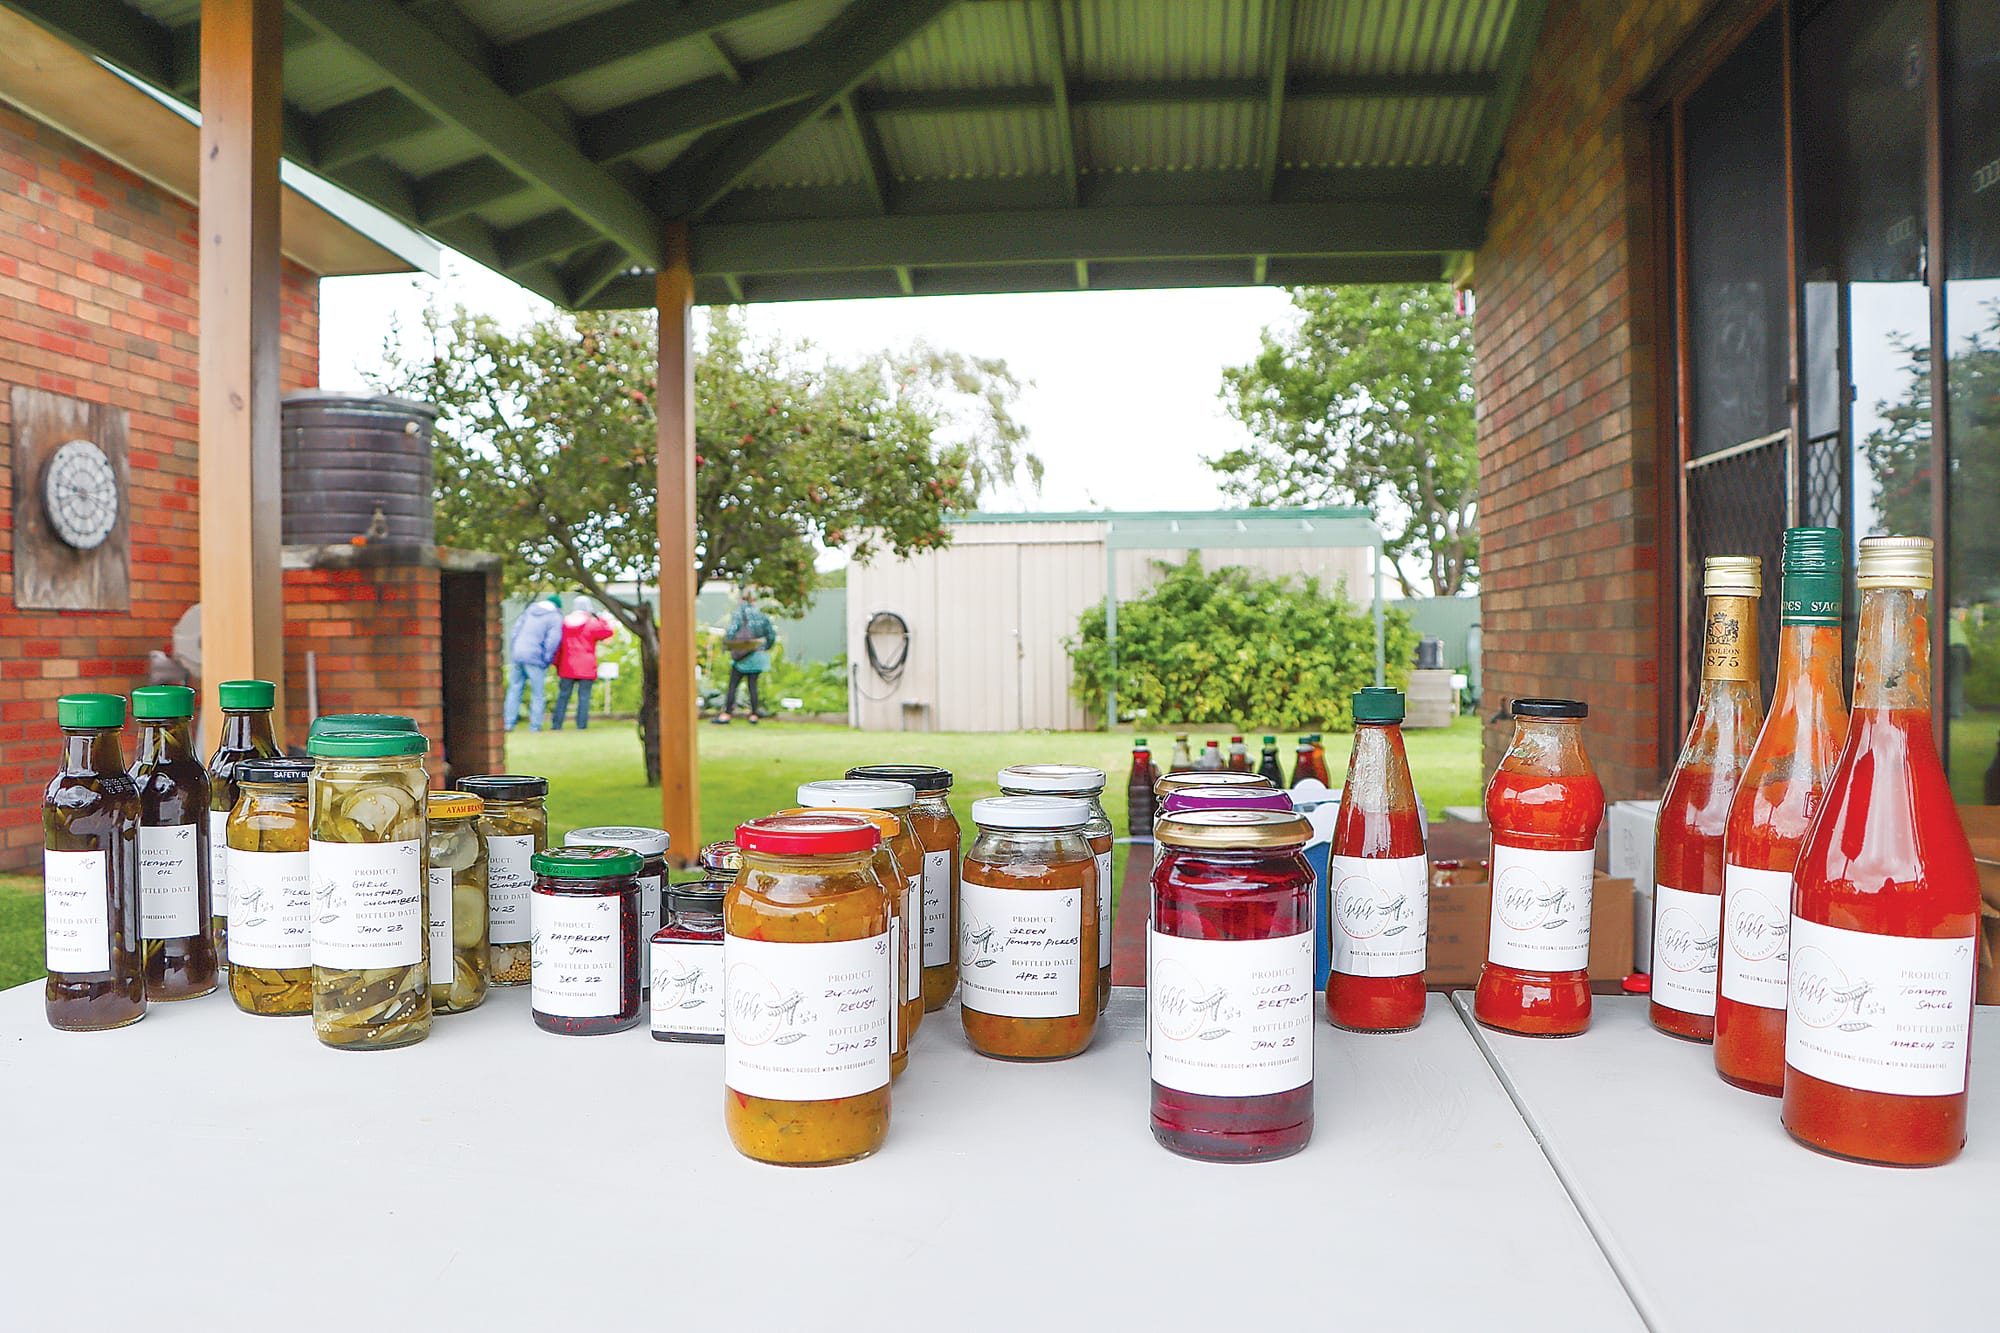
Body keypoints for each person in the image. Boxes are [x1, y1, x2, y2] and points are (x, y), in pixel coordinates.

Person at [553, 598, 616, 730]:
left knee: (563, 696)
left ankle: (556, 724)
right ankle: (581, 726)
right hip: (586, 666)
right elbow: (608, 632)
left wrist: (556, 663)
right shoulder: (591, 623)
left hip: (567, 664)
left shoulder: (564, 622)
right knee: (584, 697)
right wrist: (600, 618)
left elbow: (558, 644)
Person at [715, 588, 776, 725]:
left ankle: (726, 714)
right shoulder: (761, 614)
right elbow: (771, 635)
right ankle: (754, 715)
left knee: (733, 684)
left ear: (741, 599)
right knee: (752, 685)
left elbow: (731, 631)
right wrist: (764, 647)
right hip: (758, 655)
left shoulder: (739, 613)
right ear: (754, 600)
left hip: (742, 655)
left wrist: (728, 646)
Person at [506, 593, 564, 731]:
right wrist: (546, 659)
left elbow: (515, 632)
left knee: (514, 689)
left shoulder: (529, 611)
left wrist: (515, 650)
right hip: (536, 657)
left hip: (518, 654)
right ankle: (535, 725)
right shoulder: (555, 617)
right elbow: (553, 640)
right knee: (537, 693)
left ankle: (508, 723)